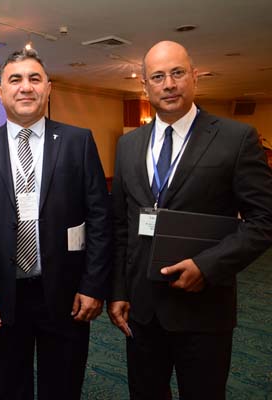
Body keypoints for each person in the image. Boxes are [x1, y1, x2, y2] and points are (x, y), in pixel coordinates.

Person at [108, 40, 272, 399]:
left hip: (203, 309)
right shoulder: (128, 145)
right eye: (158, 77)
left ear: (195, 77)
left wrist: (207, 266)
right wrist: (118, 291)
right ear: (145, 86)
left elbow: (264, 220)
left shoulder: (235, 138)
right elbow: (120, 224)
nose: (169, 84)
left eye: (177, 73)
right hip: (142, 309)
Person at [0, 49, 112, 399]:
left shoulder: (78, 142)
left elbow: (100, 219)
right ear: (1, 92)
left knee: (64, 387)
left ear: (48, 88)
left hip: (67, 294)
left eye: (34, 79)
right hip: (3, 297)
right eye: (15, 79)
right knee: (9, 387)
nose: (25, 87)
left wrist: (93, 286)